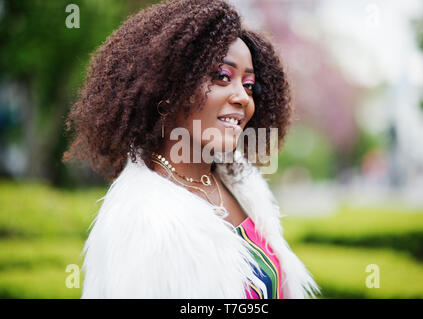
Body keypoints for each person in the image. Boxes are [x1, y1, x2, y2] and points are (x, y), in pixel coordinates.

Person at [63, 0, 320, 299]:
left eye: (249, 85)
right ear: (169, 89)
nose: (242, 97)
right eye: (222, 76)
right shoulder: (143, 222)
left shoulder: (240, 186)